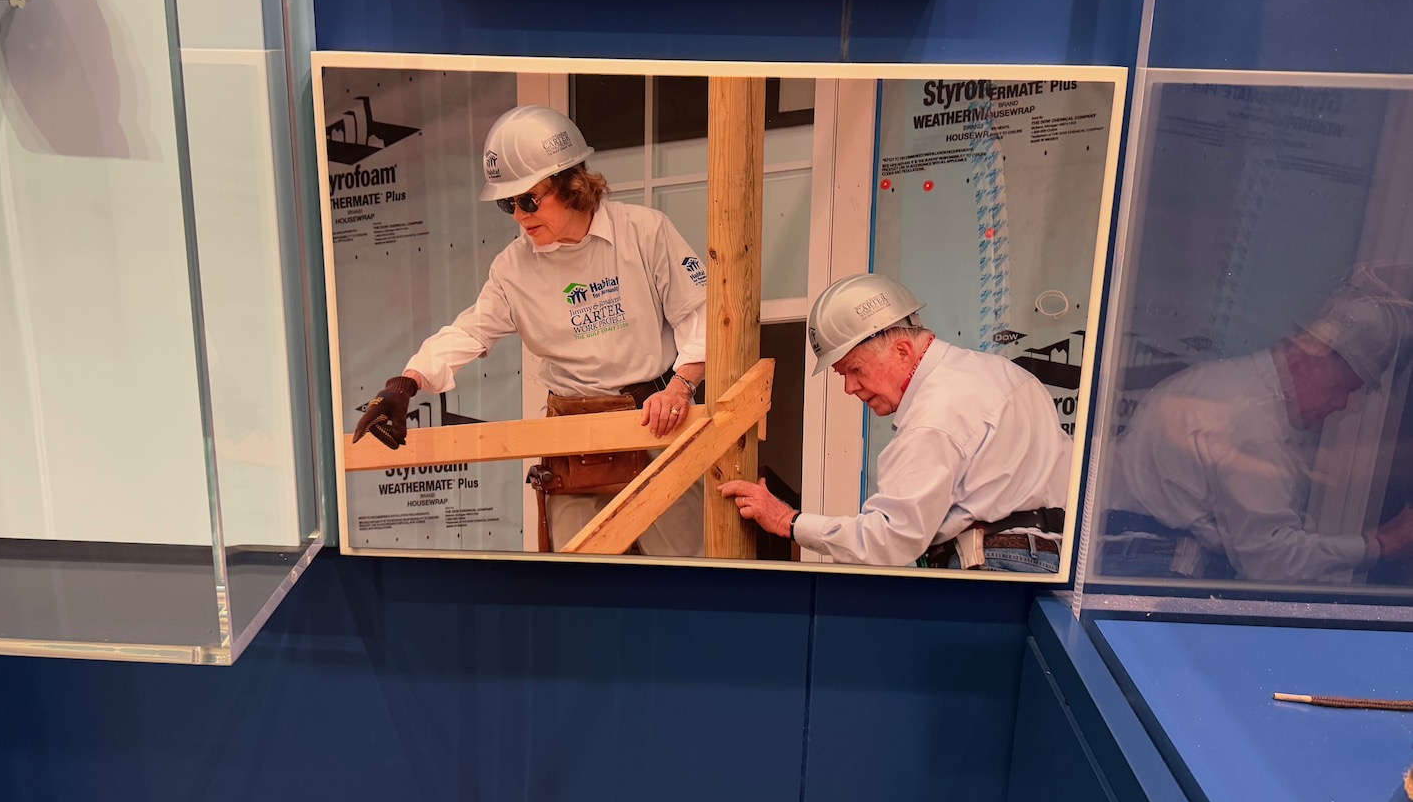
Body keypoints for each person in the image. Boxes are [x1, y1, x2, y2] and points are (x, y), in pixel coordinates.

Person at [353, 105, 708, 556]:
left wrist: (679, 388)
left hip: (656, 424)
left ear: (571, 184)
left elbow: (697, 317)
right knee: (579, 583)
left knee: (688, 566)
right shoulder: (512, 268)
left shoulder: (645, 232)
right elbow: (468, 332)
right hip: (573, 441)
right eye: (507, 203)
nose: (518, 215)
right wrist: (405, 384)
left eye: (528, 199)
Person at [720, 273, 1072, 571]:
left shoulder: (935, 415)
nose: (849, 388)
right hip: (1048, 563)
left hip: (991, 564)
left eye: (855, 370)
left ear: (902, 350)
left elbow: (890, 538)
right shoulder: (1005, 374)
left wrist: (788, 522)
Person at [1099, 280, 1413, 583]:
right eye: (1343, 386)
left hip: (1121, 556)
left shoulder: (1219, 381)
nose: (1343, 404)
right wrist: (1379, 546)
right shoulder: (1252, 422)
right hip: (1150, 570)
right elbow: (1270, 561)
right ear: (1314, 353)